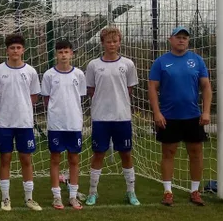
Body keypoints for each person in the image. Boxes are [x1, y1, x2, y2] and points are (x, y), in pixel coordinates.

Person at [148, 26, 213, 206]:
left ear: (188, 40)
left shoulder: (197, 60)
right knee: (168, 153)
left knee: (196, 153)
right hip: (168, 116)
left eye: (185, 37)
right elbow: (152, 88)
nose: (181, 40)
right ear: (171, 40)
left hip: (193, 116)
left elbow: (206, 86)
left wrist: (206, 111)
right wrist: (157, 113)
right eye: (178, 37)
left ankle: (195, 191)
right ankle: (168, 192)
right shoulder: (161, 62)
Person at [84, 26, 140, 206]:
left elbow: (128, 89)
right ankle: (93, 192)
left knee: (126, 154)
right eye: (108, 42)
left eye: (115, 41)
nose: (112, 44)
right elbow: (91, 90)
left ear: (120, 42)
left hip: (122, 117)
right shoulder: (93, 65)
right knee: (98, 154)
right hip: (100, 117)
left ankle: (131, 192)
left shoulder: (128, 64)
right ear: (102, 43)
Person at [0, 33, 42, 211]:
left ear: (23, 50)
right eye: (12, 48)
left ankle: (29, 198)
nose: (15, 51)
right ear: (7, 50)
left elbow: (33, 97)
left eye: (18, 48)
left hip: (24, 123)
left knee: (26, 159)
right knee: (5, 159)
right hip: (4, 123)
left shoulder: (30, 71)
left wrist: (23, 109)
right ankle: (5, 198)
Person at [42, 39, 87, 210]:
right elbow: (47, 99)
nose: (63, 55)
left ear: (71, 54)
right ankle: (56, 196)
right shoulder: (49, 75)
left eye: (66, 52)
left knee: (74, 159)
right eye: (60, 52)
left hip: (74, 123)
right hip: (56, 124)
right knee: (55, 158)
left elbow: (79, 97)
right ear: (56, 54)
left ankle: (73, 196)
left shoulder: (79, 74)